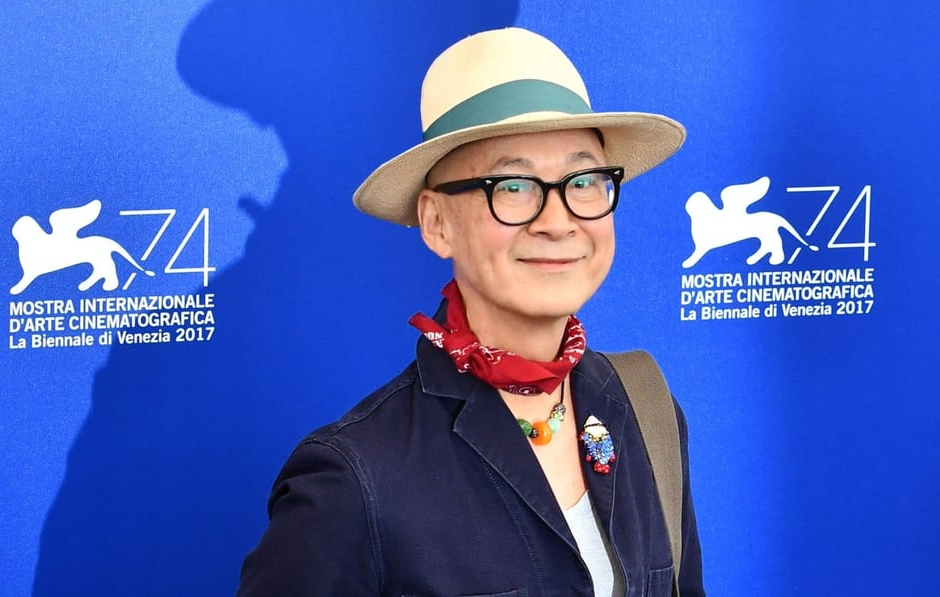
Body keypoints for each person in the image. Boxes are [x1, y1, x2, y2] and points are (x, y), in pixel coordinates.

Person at [238, 27, 704, 596]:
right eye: (511, 186)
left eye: (582, 180)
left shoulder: (644, 407)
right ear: (436, 222)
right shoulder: (354, 477)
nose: (557, 220)